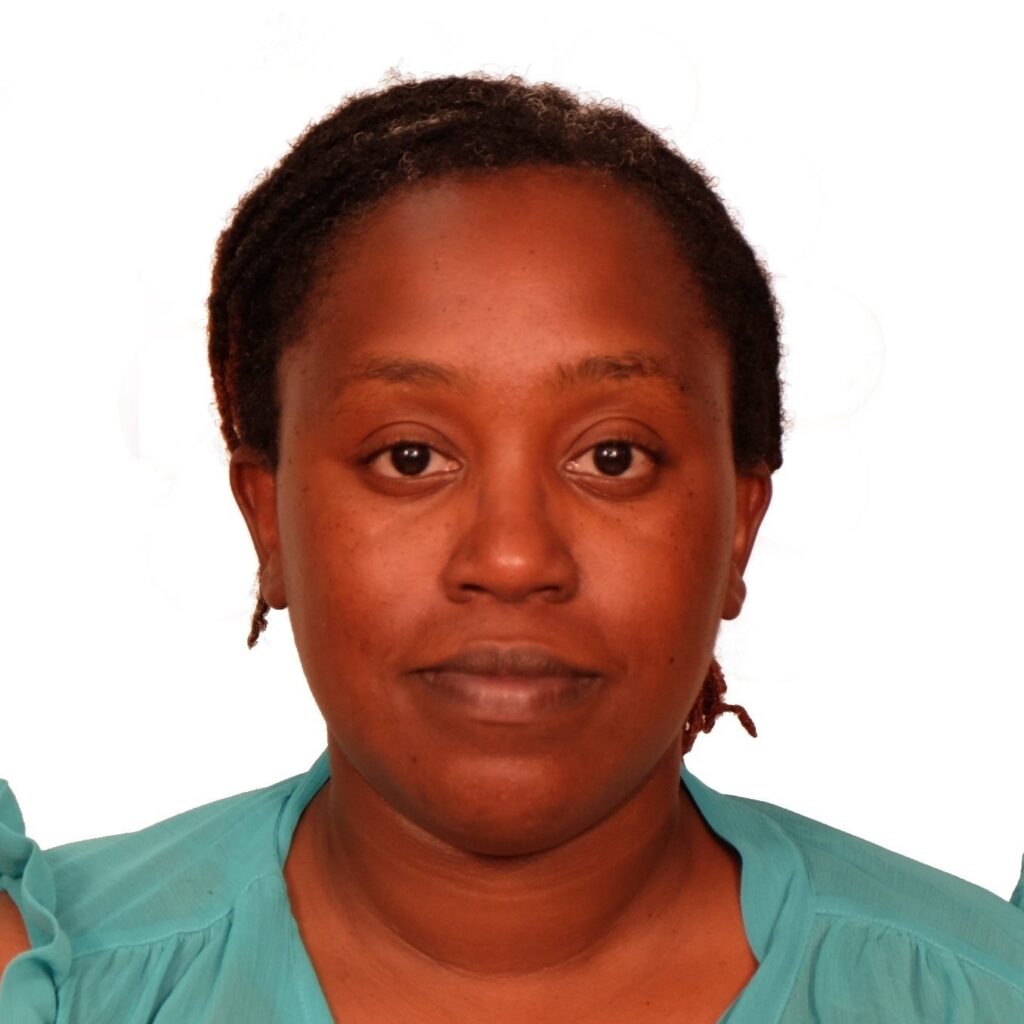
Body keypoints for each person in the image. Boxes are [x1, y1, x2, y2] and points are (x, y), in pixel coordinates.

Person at [1, 72, 1022, 1023]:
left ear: (738, 528)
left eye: (613, 457)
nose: (513, 557)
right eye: (409, 457)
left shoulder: (975, 991)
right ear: (266, 517)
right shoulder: (58, 985)